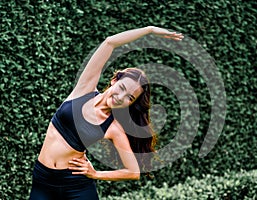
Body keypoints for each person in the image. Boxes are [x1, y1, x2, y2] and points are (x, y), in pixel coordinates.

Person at [29, 26, 184, 200]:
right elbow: (109, 42)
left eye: (129, 98)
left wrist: (96, 174)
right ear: (113, 81)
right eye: (122, 88)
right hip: (42, 179)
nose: (120, 97)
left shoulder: (113, 128)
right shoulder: (84, 90)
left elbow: (133, 172)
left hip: (75, 186)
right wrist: (149, 30)